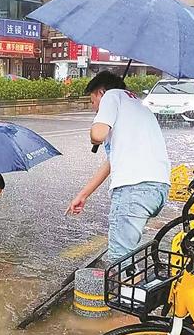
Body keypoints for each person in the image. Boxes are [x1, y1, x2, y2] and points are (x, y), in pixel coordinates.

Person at [66, 71, 170, 263]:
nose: (94, 107)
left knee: (119, 261)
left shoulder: (111, 97)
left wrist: (96, 129)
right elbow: (111, 163)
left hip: (133, 190)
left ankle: (129, 293)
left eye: (92, 101)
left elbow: (97, 134)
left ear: (100, 92)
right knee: (126, 259)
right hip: (158, 190)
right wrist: (83, 194)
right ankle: (135, 291)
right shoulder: (137, 105)